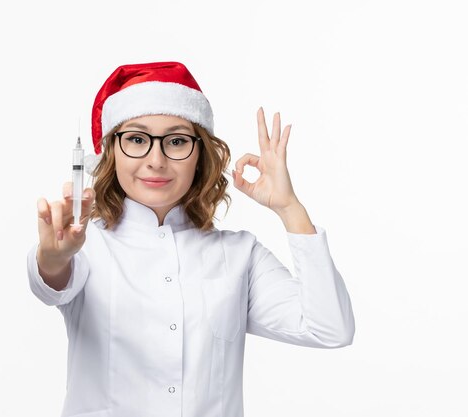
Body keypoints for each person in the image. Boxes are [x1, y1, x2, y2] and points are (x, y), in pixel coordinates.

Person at [27, 61, 355, 417]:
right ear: (111, 152)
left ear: (200, 155)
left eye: (177, 141)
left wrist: (290, 208)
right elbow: (51, 279)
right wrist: (54, 257)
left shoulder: (239, 255)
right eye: (136, 139)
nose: (156, 160)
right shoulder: (85, 246)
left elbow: (330, 328)